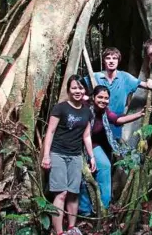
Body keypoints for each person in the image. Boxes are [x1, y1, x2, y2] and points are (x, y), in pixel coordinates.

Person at [41, 75, 96, 235]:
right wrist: (46, 155)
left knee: (73, 193)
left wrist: (91, 156)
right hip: (58, 153)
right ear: (68, 90)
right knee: (61, 193)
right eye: (74, 88)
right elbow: (50, 131)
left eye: (80, 88)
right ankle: (59, 232)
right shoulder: (60, 108)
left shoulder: (87, 112)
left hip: (76, 156)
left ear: (84, 90)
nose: (77, 91)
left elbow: (86, 136)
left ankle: (72, 228)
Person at [79, 85, 145, 216]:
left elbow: (118, 120)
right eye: (100, 97)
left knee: (104, 166)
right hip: (76, 145)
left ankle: (103, 206)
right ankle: (84, 210)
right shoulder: (84, 107)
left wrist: (140, 114)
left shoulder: (105, 112)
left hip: (93, 144)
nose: (103, 100)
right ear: (93, 97)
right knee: (81, 175)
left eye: (106, 98)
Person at [85, 47, 150, 139]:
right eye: (108, 58)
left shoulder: (125, 77)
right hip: (96, 121)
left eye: (114, 58)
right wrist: (87, 100)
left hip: (117, 122)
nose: (111, 61)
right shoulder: (95, 77)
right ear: (104, 61)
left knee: (114, 148)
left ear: (118, 61)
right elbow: (77, 87)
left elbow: (145, 85)